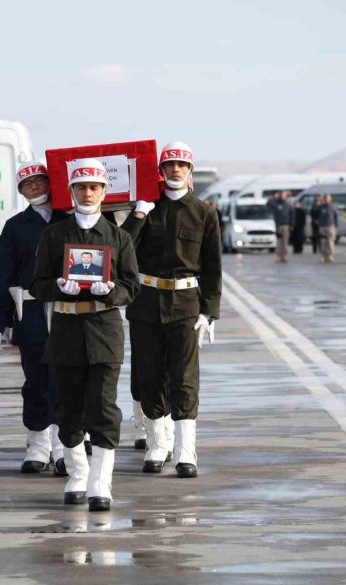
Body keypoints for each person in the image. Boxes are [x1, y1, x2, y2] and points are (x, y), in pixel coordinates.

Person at [30, 158, 139, 511]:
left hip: (104, 332)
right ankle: (77, 473)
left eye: (94, 187)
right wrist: (59, 286)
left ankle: (100, 481)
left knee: (104, 408)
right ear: (71, 191)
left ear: (105, 192)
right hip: (66, 331)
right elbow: (37, 283)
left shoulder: (118, 237)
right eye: (81, 187)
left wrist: (112, 290)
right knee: (68, 408)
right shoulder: (54, 234)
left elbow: (132, 286)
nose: (88, 193)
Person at [120, 141, 222, 479]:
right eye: (169, 164)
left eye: (181, 164)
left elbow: (213, 267)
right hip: (146, 302)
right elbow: (120, 248)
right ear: (160, 171)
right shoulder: (148, 209)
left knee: (184, 377)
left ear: (190, 170)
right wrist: (138, 214)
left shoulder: (204, 213)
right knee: (148, 374)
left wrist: (209, 311)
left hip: (185, 305)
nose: (175, 169)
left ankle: (185, 450)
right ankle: (156, 444)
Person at [0, 161, 70, 475]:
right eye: (27, 184)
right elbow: (3, 275)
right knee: (36, 380)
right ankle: (38, 445)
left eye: (39, 181)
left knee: (64, 380)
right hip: (32, 312)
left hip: (67, 311)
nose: (34, 187)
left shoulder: (72, 219)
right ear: (21, 191)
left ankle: (66, 447)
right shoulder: (15, 226)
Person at [267, 190, 294, 263]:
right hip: (278, 226)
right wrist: (274, 197)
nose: (283, 196)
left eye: (284, 195)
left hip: (286, 225)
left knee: (285, 242)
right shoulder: (276, 203)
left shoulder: (288, 204)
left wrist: (291, 224)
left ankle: (284, 256)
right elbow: (268, 204)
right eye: (281, 195)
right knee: (279, 242)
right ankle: (279, 256)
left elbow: (292, 215)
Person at [316, 194, 338, 263]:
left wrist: (335, 226)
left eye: (328, 198)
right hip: (322, 226)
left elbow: (336, 217)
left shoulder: (333, 207)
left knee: (330, 242)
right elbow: (315, 214)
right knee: (323, 242)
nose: (326, 199)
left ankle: (330, 256)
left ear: (330, 199)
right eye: (325, 198)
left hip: (330, 226)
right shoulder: (320, 207)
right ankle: (323, 256)